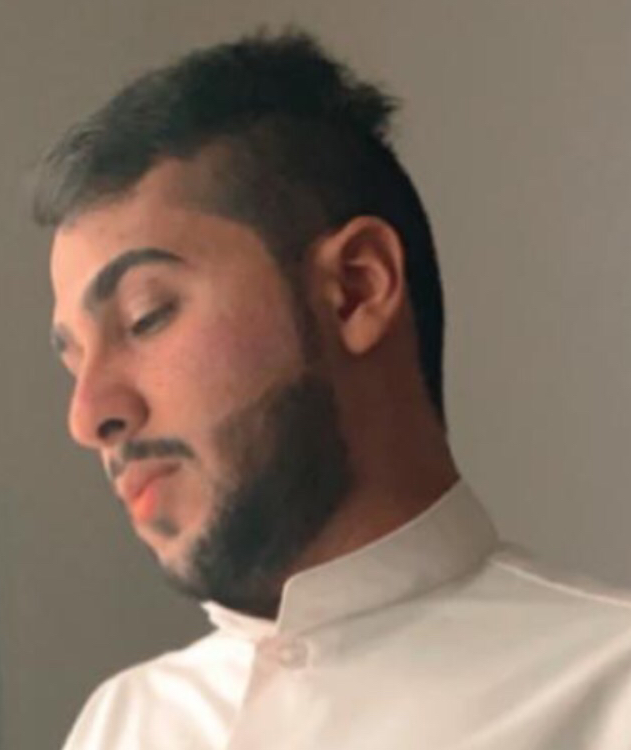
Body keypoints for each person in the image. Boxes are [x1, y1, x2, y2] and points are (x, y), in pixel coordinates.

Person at [33, 30, 631, 750]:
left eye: (146, 317)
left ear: (355, 289)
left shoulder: (612, 689)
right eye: (74, 361)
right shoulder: (124, 724)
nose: (88, 416)